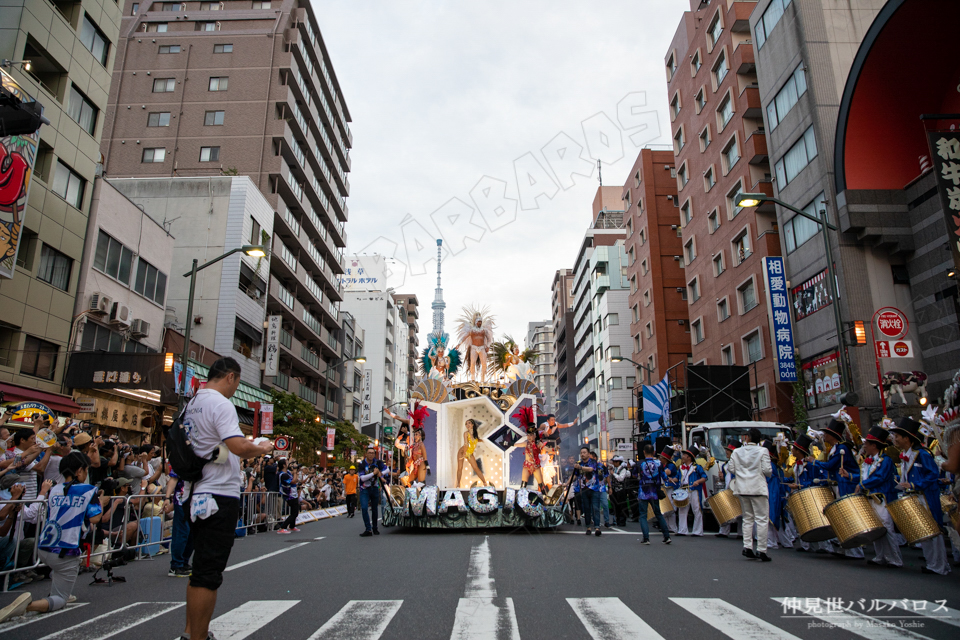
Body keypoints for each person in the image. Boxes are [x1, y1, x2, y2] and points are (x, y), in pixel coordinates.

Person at [180, 357, 274, 640]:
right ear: (231, 377)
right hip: (218, 494)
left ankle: (191, 632)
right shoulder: (220, 403)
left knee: (200, 569)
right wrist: (262, 447)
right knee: (208, 575)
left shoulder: (192, 403)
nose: (235, 388)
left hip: (196, 492)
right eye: (237, 382)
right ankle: (197, 637)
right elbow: (238, 447)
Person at [0, 452, 102, 623]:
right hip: (65, 551)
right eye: (86, 470)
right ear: (79, 471)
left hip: (44, 547)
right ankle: (27, 606)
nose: (87, 474)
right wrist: (102, 502)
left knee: (59, 575)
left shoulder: (54, 489)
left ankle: (61, 591)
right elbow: (95, 518)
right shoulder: (89, 490)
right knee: (60, 600)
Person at [890, 417, 951, 575]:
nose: (894, 439)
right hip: (914, 497)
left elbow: (932, 475)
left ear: (907, 438)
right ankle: (932, 564)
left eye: (897, 436)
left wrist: (914, 485)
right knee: (923, 532)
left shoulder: (922, 454)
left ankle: (941, 566)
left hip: (926, 497)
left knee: (933, 531)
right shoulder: (905, 454)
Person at [811, 419, 863, 559]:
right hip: (838, 484)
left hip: (846, 485)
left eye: (827, 433)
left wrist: (813, 461)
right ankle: (846, 548)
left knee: (849, 516)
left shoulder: (842, 449)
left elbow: (830, 466)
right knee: (842, 517)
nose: (824, 436)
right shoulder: (835, 448)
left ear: (833, 435)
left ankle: (856, 551)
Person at [856, 425, 902, 568]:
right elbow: (864, 476)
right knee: (876, 527)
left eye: (867, 444)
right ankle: (881, 555)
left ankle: (895, 558)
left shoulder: (886, 460)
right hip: (872, 498)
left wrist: (863, 485)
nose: (865, 447)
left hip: (883, 498)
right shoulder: (868, 460)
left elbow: (880, 477)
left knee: (887, 527)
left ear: (874, 445)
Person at [728, 428, 772, 562]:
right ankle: (761, 550)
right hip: (757, 487)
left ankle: (747, 546)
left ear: (747, 438)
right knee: (762, 519)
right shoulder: (763, 451)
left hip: (742, 487)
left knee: (747, 518)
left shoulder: (736, 451)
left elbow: (731, 468)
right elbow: (767, 470)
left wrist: (741, 474)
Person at [636, 444, 672, 545]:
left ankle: (646, 538)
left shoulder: (640, 464)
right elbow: (664, 477)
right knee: (658, 514)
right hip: (655, 492)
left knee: (643, 515)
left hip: (643, 492)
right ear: (654, 452)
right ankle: (667, 536)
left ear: (644, 452)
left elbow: (635, 475)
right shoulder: (658, 463)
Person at [165, 466, 193, 577]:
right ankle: (176, 565)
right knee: (182, 532)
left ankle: (185, 562)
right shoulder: (182, 459)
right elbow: (173, 478)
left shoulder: (203, 457)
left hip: (196, 500)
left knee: (192, 533)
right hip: (182, 500)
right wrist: (167, 497)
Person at [357, 445, 390, 537]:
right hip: (364, 489)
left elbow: (387, 469)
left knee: (375, 509)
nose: (371, 455)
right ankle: (368, 528)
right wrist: (373, 474)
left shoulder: (377, 462)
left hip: (374, 488)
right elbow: (362, 478)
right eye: (369, 453)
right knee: (364, 508)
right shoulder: (362, 464)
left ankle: (375, 528)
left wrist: (380, 473)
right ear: (366, 454)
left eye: (372, 453)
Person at [676, 447, 707, 536]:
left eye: (684, 455)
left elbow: (704, 477)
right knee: (682, 509)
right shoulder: (681, 468)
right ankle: (682, 530)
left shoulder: (697, 467)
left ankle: (697, 531)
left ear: (689, 457)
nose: (682, 457)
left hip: (694, 491)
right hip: (684, 490)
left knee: (696, 509)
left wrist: (697, 481)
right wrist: (671, 479)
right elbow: (677, 478)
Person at [574, 447, 602, 536]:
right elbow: (575, 476)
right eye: (581, 453)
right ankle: (588, 527)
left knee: (595, 508)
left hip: (594, 488)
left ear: (588, 453)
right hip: (584, 489)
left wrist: (581, 467)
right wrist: (566, 483)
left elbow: (591, 469)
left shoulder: (593, 462)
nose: (582, 454)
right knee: (586, 508)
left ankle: (597, 527)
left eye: (584, 452)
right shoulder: (579, 464)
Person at [717, 442, 741, 538]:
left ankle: (741, 533)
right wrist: (722, 477)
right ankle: (723, 531)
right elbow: (724, 478)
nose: (726, 452)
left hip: (737, 488)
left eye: (729, 450)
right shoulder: (725, 465)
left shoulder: (739, 464)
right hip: (728, 488)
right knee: (726, 509)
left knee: (740, 512)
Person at [457, 419, 488, 487]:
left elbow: (476, 440)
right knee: (460, 468)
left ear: (472, 424)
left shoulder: (475, 434)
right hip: (462, 451)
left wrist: (484, 440)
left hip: (470, 453)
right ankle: (458, 484)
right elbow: (465, 444)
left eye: (469, 423)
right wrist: (464, 453)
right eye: (466, 424)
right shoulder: (466, 433)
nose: (467, 425)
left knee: (476, 468)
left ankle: (485, 483)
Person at [658, 447, 679, 535]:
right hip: (665, 488)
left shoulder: (671, 465)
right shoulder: (663, 465)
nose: (659, 459)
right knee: (665, 508)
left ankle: (673, 527)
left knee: (670, 508)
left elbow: (667, 473)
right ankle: (666, 526)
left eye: (661, 457)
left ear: (665, 459)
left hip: (671, 488)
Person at [277, 459, 300, 534]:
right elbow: (293, 481)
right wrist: (296, 472)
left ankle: (292, 526)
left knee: (296, 510)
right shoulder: (283, 475)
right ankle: (283, 527)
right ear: (283, 465)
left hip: (293, 493)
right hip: (289, 494)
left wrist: (295, 469)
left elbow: (294, 478)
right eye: (287, 463)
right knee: (294, 512)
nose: (289, 464)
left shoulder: (288, 472)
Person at [609, 455, 631, 527]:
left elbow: (620, 479)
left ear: (618, 462)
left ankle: (622, 521)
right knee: (616, 506)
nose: (614, 463)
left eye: (615, 462)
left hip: (621, 490)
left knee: (622, 506)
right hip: (615, 490)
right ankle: (617, 520)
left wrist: (613, 474)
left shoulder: (623, 469)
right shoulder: (614, 469)